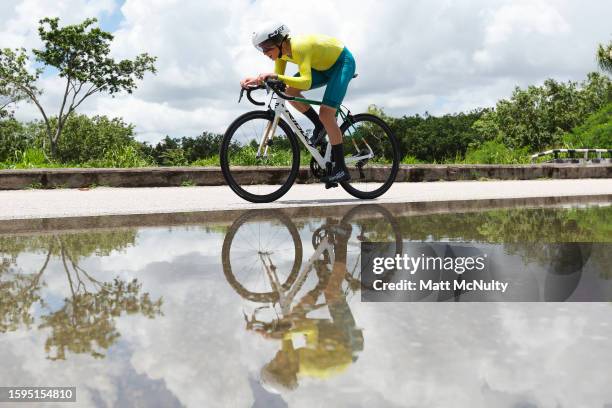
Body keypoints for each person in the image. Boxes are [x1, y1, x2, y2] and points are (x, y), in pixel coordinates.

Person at [241, 22, 357, 185]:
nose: (264, 52)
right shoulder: (281, 54)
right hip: (321, 67)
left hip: (342, 63)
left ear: (279, 41)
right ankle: (320, 126)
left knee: (326, 113)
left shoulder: (299, 47)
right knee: (288, 91)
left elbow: (306, 81)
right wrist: (257, 81)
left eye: (266, 47)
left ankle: (341, 169)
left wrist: (275, 78)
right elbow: (277, 78)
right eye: (261, 48)